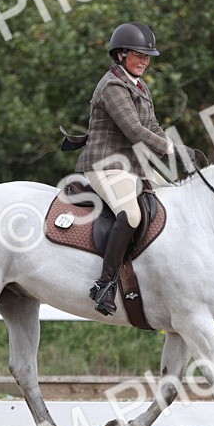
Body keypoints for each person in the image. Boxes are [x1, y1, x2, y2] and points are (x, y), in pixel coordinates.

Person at [75, 21, 183, 316]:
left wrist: (176, 148)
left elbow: (152, 126)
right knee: (132, 214)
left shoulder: (139, 86)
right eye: (139, 55)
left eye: (147, 57)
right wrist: (169, 149)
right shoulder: (112, 86)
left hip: (131, 166)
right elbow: (134, 130)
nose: (145, 61)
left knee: (172, 198)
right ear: (121, 54)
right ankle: (104, 284)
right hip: (104, 165)